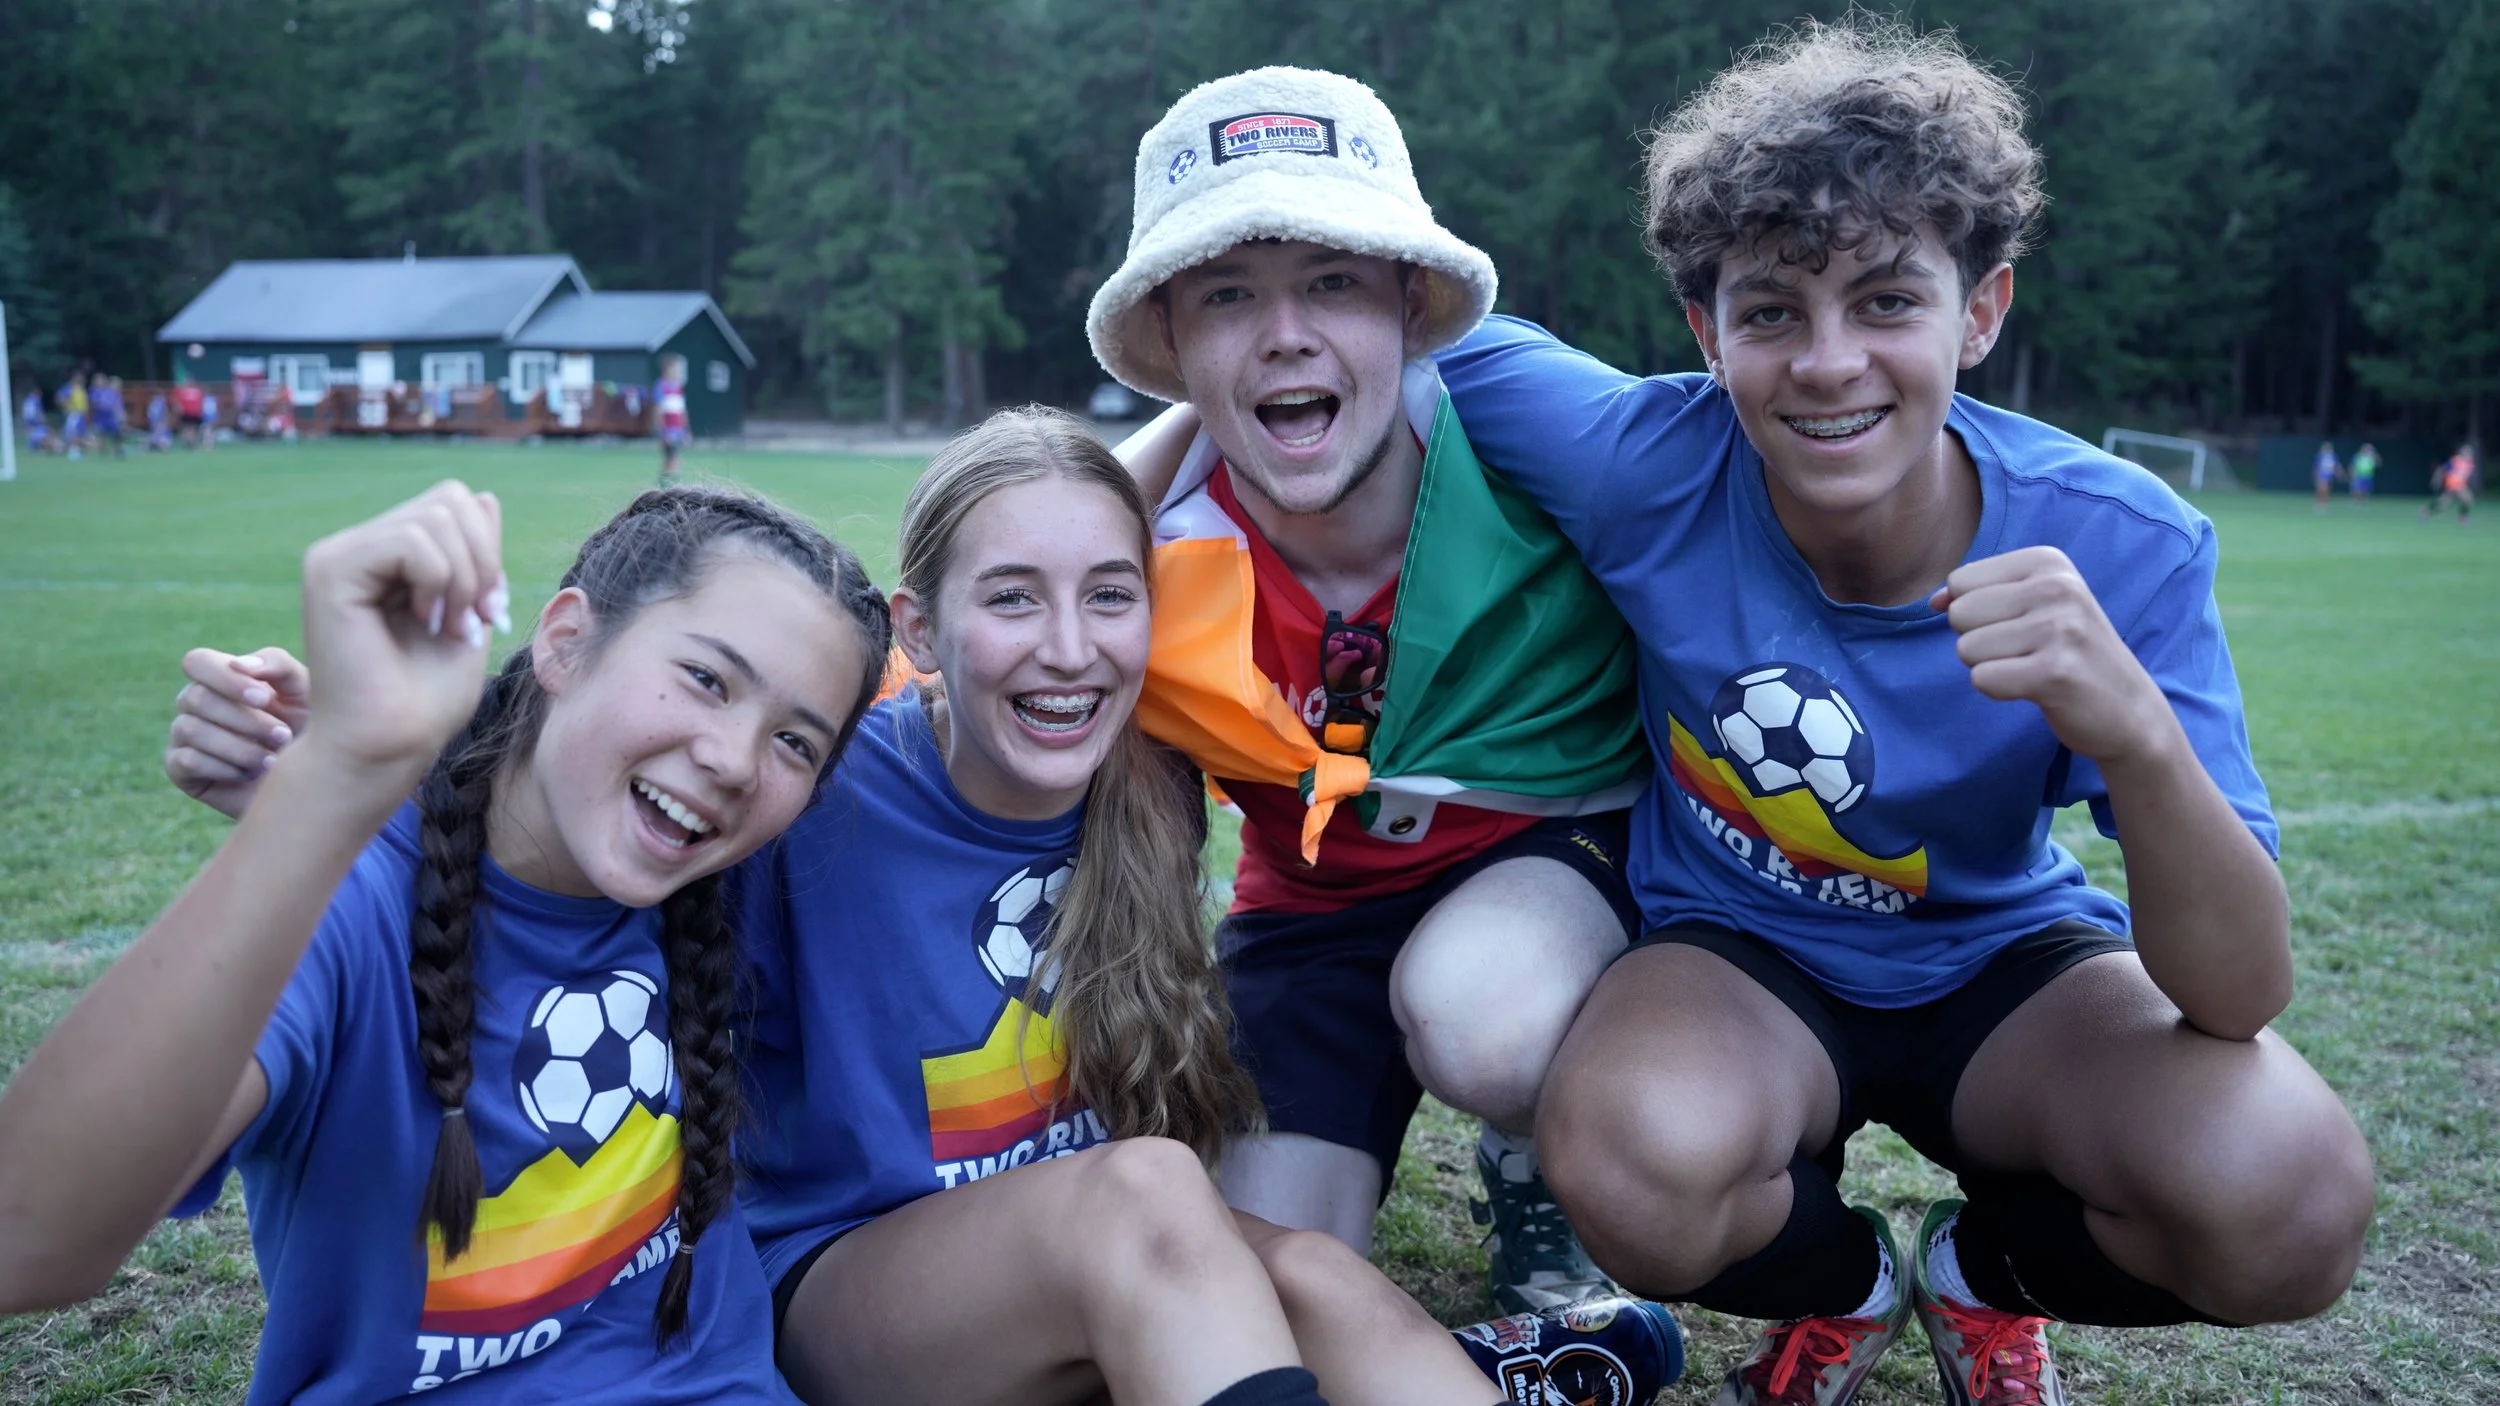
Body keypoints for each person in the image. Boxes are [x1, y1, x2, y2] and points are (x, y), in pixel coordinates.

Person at [160, 409, 1686, 1406]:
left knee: (1311, 1272)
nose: (1067, 647)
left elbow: (1091, 537)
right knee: (1153, 1197)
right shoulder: (814, 781)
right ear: (920, 631)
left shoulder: (1149, 770)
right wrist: (343, 763)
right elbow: (612, 776)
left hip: (1080, 1263)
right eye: (1010, 599)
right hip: (847, 1285)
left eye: (1109, 597)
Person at [1423, 21, 2374, 1404]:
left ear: (1979, 312)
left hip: (2004, 964)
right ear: (1706, 332)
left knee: (2292, 1202)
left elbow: (2240, 993)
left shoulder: (2122, 542)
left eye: (1884, 301)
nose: (1828, 361)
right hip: (1737, 951)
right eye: (1770, 311)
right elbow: (1398, 332)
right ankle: (1844, 1282)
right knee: (1628, 1159)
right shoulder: (1643, 459)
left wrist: (2135, 733)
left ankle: (1981, 1276)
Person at [0, 480, 894, 1403]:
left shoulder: (739, 880)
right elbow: (29, 1238)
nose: (735, 760)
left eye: (795, 742)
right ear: (565, 641)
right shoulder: (350, 910)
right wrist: (330, 784)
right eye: (707, 679)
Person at [1091, 66, 1650, 1315]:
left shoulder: (1535, 456)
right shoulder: (1144, 555)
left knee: (1480, 1015)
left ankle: (1533, 1151)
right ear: (1171, 340)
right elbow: (967, 636)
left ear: (1409, 303)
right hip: (1313, 906)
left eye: (1332, 281)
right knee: (1261, 1273)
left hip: (1551, 859)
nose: (1285, 333)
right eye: (1227, 294)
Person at [655, 354, 691, 481]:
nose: (676, 372)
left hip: (679, 430)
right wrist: (662, 432)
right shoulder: (661, 386)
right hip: (668, 430)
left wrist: (686, 430)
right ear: (666, 369)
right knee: (670, 459)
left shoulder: (679, 387)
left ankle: (670, 484)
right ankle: (665, 485)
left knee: (676, 458)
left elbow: (682, 411)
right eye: (674, 369)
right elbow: (658, 410)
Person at [2421, 443, 2475, 522]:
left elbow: (2465, 476)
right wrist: (2436, 480)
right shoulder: (2455, 461)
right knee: (2442, 505)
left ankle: (2462, 517)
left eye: (2470, 453)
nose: (2469, 454)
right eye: (2467, 452)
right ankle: (2426, 510)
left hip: (2460, 486)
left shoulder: (2470, 464)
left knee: (2468, 500)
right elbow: (2441, 469)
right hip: (2451, 486)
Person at [92, 375, 127, 458]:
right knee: (102, 433)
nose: (118, 387)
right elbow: (102, 405)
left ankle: (118, 449)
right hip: (105, 415)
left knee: (117, 433)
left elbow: (119, 407)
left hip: (112, 416)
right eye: (116, 384)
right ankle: (102, 451)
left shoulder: (117, 395)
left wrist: (122, 416)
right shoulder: (105, 392)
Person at [175, 379, 205, 447]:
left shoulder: (183, 391)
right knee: (191, 428)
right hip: (192, 413)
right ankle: (190, 442)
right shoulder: (197, 391)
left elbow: (179, 404)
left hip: (190, 413)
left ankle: (189, 442)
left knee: (188, 428)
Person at [18, 387, 48, 455]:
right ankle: (36, 448)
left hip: (28, 418)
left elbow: (25, 410)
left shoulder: (28, 399)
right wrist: (41, 418)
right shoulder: (36, 400)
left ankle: (32, 448)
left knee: (31, 433)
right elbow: (37, 410)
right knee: (38, 433)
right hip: (34, 419)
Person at [2312, 440, 2339, 509]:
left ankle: (2324, 503)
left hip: (2329, 475)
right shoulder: (2320, 455)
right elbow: (2317, 466)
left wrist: (2338, 472)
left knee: (2327, 489)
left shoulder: (2333, 456)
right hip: (2321, 474)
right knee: (2321, 489)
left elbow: (2336, 466)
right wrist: (2316, 475)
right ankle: (2319, 503)